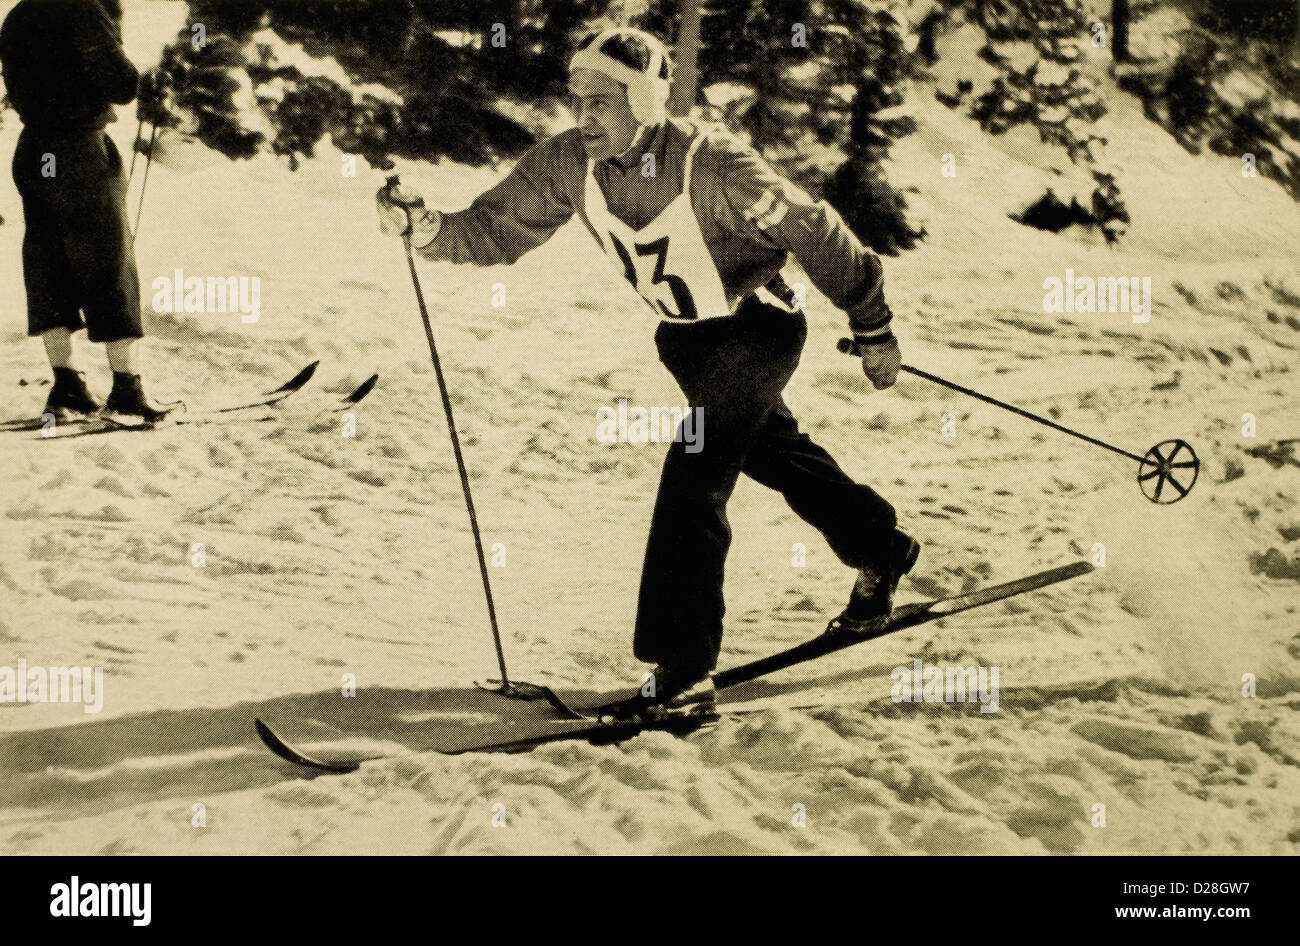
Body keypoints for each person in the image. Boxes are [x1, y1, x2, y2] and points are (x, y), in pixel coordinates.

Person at [377, 27, 919, 709]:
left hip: (759, 328)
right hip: (690, 343)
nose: (585, 118)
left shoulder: (713, 164)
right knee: (767, 449)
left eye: (603, 102)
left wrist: (872, 324)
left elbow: (817, 229)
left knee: (695, 470)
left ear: (644, 100)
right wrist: (424, 226)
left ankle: (685, 664)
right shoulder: (569, 163)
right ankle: (880, 544)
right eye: (578, 101)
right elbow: (493, 227)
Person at [0, 0, 170, 422]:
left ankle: (68, 383)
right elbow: (121, 86)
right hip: (79, 149)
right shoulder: (83, 9)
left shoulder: (18, 14)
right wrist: (148, 74)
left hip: (36, 151)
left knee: (48, 263)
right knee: (109, 261)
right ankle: (126, 390)